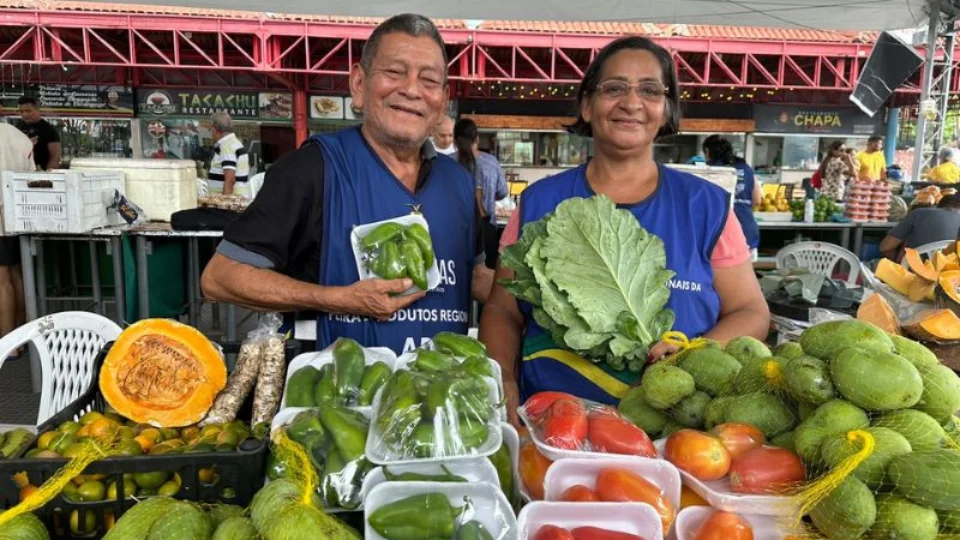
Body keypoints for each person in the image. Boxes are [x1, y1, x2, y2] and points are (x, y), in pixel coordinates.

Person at [480, 36, 770, 422]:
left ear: (666, 110)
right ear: (587, 105)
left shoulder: (705, 206)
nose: (631, 103)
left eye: (649, 90)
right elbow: (503, 309)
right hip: (553, 430)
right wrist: (502, 376)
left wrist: (692, 353)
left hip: (678, 436)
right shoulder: (539, 202)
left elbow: (750, 311)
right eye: (614, 88)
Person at [202, 14, 491, 354]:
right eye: (394, 73)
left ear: (442, 100)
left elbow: (474, 277)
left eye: (429, 81)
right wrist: (338, 299)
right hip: (335, 396)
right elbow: (220, 278)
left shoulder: (457, 181)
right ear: (358, 84)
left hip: (437, 395)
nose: (412, 90)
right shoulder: (312, 168)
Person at [455, 118, 508, 270]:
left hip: (455, 227)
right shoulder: (491, 162)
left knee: (458, 273)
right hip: (486, 227)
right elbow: (503, 192)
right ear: (477, 139)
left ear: (454, 140)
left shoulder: (447, 162)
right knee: (485, 275)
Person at [702, 135, 761, 261]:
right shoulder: (746, 168)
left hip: (722, 235)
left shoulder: (710, 171)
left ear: (707, 152)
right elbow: (757, 200)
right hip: (747, 231)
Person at [0, 124, 31, 338]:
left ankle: (8, 341)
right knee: (16, 274)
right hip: (18, 213)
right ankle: (21, 333)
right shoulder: (20, 137)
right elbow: (31, 176)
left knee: (1, 282)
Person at [880, 194, 960, 261]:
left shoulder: (919, 214)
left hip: (913, 274)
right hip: (951, 276)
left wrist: (899, 264)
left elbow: (885, 247)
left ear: (937, 206)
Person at [205, 112, 251, 198]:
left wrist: (224, 205)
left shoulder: (227, 147)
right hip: (237, 198)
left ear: (215, 129)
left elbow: (230, 179)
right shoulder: (234, 143)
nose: (210, 132)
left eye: (210, 129)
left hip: (230, 202)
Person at [15, 96, 59, 171]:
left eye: (28, 111)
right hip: (20, 171)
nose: (24, 114)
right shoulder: (18, 128)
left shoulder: (48, 129)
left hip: (41, 171)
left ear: (37, 110)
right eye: (21, 111)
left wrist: (48, 177)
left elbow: (55, 157)